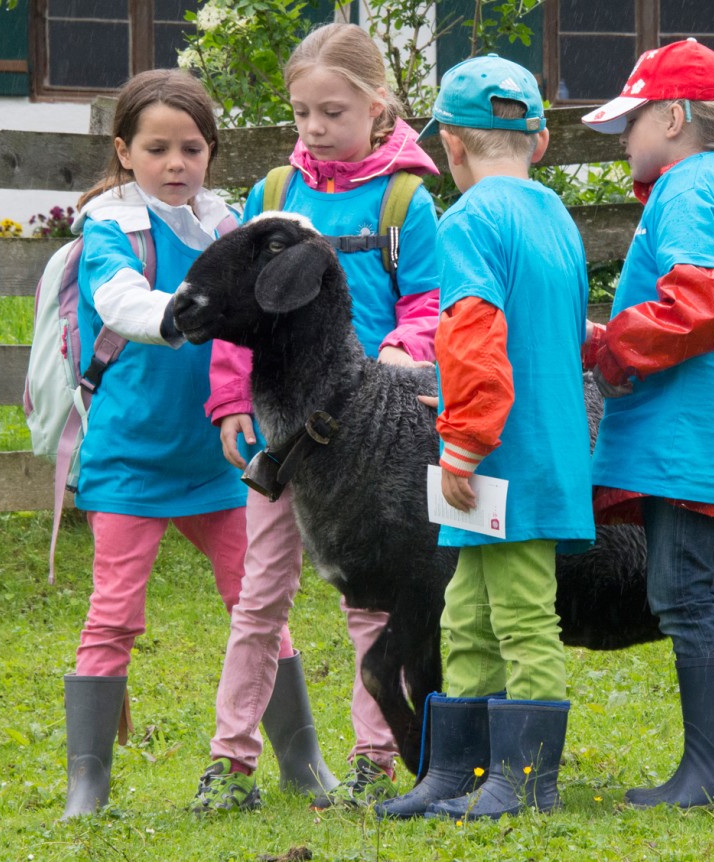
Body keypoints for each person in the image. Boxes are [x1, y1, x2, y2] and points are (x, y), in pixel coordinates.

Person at [192, 22, 441, 813]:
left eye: (331, 111)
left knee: (371, 599)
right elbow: (239, 311)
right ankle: (230, 762)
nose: (314, 129)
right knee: (259, 594)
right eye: (302, 113)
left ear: (379, 106)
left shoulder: (406, 199)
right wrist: (232, 397)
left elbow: (431, 299)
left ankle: (376, 755)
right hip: (283, 438)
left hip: (373, 446)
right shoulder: (272, 197)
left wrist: (405, 348)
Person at [374, 55, 593, 821]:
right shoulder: (554, 214)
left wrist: (461, 445)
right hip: (541, 449)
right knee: (465, 609)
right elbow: (564, 330)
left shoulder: (470, 219)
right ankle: (454, 770)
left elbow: (469, 337)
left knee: (524, 614)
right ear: (536, 141)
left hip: (503, 458)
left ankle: (527, 781)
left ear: (452, 149)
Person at [579, 38, 714, 810]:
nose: (625, 141)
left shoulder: (691, 188)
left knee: (683, 594)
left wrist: (612, 348)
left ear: (672, 117)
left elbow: (696, 306)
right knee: (686, 590)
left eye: (632, 123)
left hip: (682, 430)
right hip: (701, 428)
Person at [60, 69, 248, 819]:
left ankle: (301, 761)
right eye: (158, 148)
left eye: (192, 148)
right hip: (130, 457)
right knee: (113, 615)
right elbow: (116, 299)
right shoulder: (110, 227)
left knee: (257, 604)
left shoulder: (228, 228)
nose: (177, 163)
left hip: (219, 458)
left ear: (210, 153)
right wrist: (185, 312)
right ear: (124, 152)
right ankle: (87, 786)